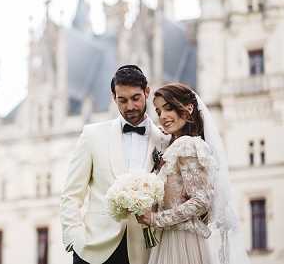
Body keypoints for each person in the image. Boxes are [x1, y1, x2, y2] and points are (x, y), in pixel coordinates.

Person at [60, 65, 169, 264]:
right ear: (114, 98)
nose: (129, 107)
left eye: (135, 98)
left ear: (147, 92)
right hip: (94, 250)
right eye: (122, 100)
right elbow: (71, 194)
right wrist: (74, 239)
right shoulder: (92, 135)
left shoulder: (165, 141)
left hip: (146, 252)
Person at [136, 83, 251, 264]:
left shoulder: (188, 145)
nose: (163, 116)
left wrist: (156, 219)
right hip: (167, 239)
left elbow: (201, 200)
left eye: (169, 108)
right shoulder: (172, 148)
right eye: (158, 112)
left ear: (188, 108)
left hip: (182, 241)